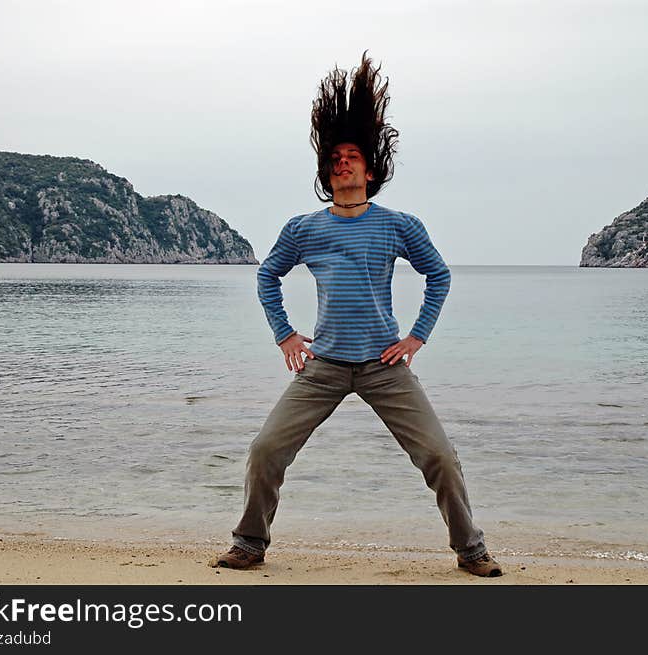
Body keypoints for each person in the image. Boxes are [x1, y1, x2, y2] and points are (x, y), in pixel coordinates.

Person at [209, 52, 501, 577]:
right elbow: (265, 275)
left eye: (352, 156)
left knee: (439, 456)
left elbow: (440, 276)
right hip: (321, 366)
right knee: (265, 450)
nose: (342, 163)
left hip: (384, 366)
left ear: (370, 169)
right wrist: (284, 335)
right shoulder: (303, 228)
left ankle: (470, 549)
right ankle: (249, 544)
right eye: (335, 158)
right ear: (328, 172)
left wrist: (416, 338)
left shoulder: (399, 224)